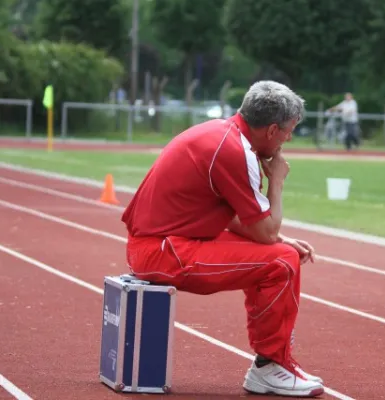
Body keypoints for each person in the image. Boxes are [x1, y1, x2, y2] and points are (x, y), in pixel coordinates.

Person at [121, 80, 325, 397]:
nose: (288, 139)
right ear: (272, 130)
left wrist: (279, 238)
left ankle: (269, 362)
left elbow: (236, 218)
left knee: (280, 252)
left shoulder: (221, 133)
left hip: (157, 244)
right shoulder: (235, 151)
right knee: (282, 261)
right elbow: (264, 231)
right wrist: (278, 182)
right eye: (288, 131)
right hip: (163, 251)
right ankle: (270, 365)